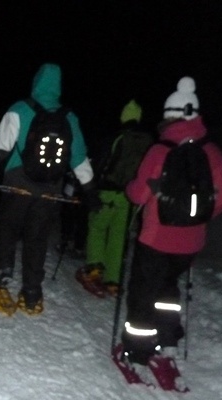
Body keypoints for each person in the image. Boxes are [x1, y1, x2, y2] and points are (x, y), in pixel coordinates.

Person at [0, 63, 101, 314]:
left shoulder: (20, 109)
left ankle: (1, 278)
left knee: (7, 231)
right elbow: (79, 158)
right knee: (37, 239)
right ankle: (32, 292)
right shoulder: (69, 118)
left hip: (18, 184)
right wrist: (90, 190)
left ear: (36, 82)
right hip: (50, 188)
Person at [120, 77, 222, 365]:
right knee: (168, 287)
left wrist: (131, 188)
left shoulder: (160, 151)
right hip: (191, 242)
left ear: (169, 115)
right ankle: (168, 339)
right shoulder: (212, 153)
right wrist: (195, 219)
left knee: (143, 292)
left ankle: (138, 349)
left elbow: (139, 194)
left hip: (156, 239)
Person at [75, 100, 153, 297]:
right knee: (119, 235)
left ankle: (94, 268)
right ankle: (113, 280)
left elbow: (102, 163)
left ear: (123, 116)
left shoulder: (117, 138)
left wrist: (90, 188)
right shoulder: (148, 141)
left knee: (97, 227)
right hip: (129, 196)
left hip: (107, 192)